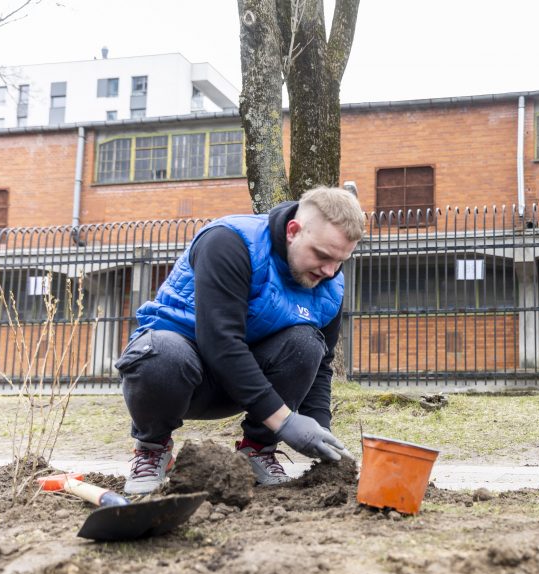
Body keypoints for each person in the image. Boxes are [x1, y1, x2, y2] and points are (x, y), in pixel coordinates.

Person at [115, 186, 366, 494]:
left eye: (340, 260)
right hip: (177, 375)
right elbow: (220, 342)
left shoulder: (329, 284)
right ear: (293, 231)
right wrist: (286, 422)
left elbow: (321, 364)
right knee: (163, 354)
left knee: (306, 343)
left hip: (241, 387)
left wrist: (321, 435)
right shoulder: (230, 242)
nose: (330, 271)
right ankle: (152, 449)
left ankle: (257, 450)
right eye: (323, 255)